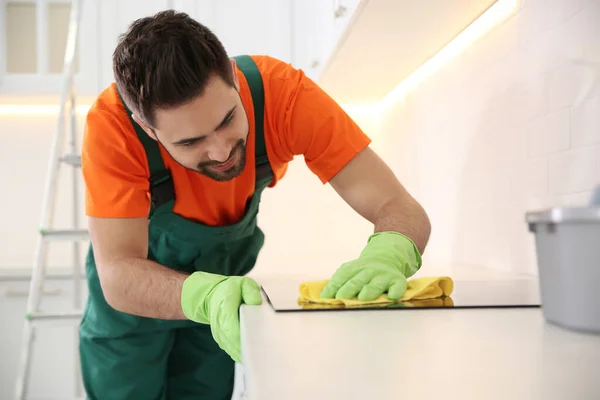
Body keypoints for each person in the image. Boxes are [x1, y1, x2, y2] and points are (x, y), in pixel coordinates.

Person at [79, 9, 431, 400]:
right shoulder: (112, 128)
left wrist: (390, 252)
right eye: (190, 143)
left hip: (218, 312)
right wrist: (204, 298)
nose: (221, 149)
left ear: (233, 76)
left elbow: (398, 205)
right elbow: (117, 273)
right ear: (147, 129)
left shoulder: (283, 95)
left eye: (228, 119)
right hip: (132, 319)